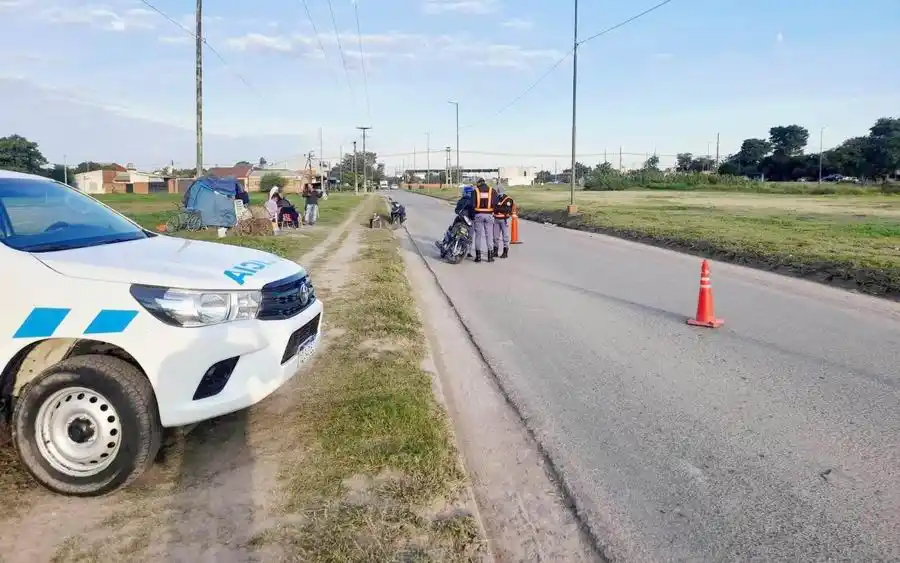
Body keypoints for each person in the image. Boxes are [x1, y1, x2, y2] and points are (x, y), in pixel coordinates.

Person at [436, 186, 474, 253]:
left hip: (466, 220)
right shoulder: (469, 201)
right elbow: (457, 210)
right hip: (464, 219)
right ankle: (445, 242)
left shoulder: (465, 200)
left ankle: (445, 242)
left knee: (465, 234)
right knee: (452, 230)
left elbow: (457, 210)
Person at [471, 178, 498, 262]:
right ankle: (490, 257)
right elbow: (496, 203)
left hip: (478, 215)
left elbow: (472, 204)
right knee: (489, 236)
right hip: (489, 215)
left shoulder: (475, 191)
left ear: (478, 183)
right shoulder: (492, 191)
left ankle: (478, 257)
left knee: (478, 236)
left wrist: (473, 214)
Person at [492, 187, 514, 259]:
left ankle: (505, 252)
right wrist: (499, 209)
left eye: (499, 191)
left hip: (504, 220)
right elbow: (493, 208)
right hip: (496, 219)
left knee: (505, 237)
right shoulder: (496, 198)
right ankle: (495, 251)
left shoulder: (508, 199)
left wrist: (498, 209)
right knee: (495, 237)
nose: (498, 193)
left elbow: (507, 209)